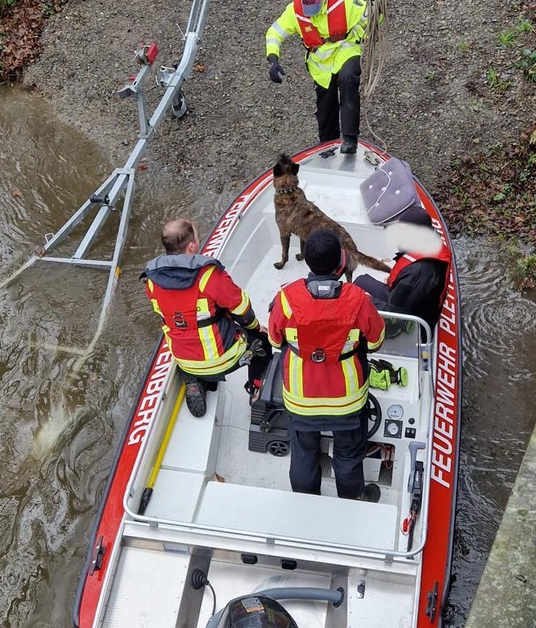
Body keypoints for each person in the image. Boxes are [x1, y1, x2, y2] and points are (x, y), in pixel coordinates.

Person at [267, 227, 386, 501]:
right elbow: (377, 340)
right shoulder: (358, 299)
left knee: (303, 454)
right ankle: (352, 500)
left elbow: (275, 340)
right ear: (341, 262)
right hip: (347, 402)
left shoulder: (286, 299)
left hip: (300, 400)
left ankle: (306, 503)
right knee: (348, 455)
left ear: (307, 261)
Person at [142, 217, 271, 418]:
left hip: (184, 358)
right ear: (192, 246)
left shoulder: (151, 281)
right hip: (224, 359)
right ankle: (256, 390)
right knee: (262, 343)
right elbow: (242, 309)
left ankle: (193, 379)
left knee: (185, 333)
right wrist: (255, 328)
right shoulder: (209, 276)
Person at [265, 0, 368, 155]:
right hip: (320, 63)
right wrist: (273, 59)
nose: (311, 13)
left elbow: (371, 16)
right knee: (325, 105)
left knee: (348, 79)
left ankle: (350, 138)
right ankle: (328, 146)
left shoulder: (345, 0)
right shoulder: (294, 11)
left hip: (346, 49)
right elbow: (275, 33)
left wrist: (379, 10)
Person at [354, 205, 451, 333]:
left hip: (404, 320)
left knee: (354, 295)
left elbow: (396, 311)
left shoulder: (417, 272)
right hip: (409, 300)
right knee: (361, 281)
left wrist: (362, 300)